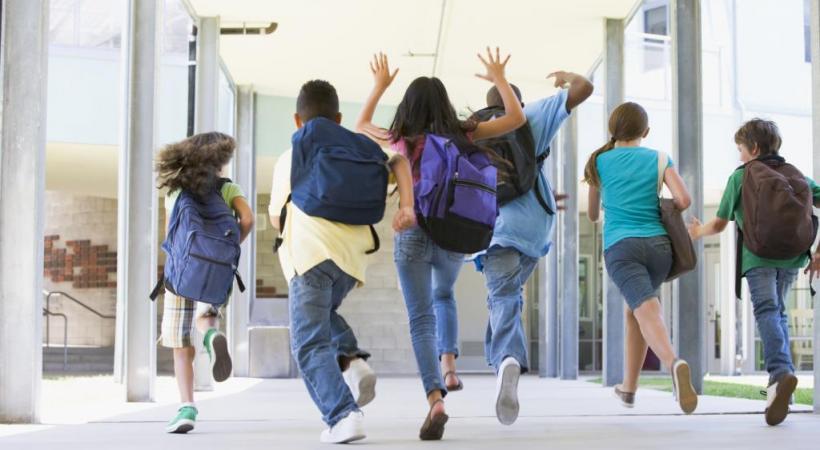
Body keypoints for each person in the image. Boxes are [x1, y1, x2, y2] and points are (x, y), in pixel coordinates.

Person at [356, 48, 526, 441]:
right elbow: (516, 119)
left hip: (413, 230)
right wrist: (500, 77)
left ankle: (435, 397)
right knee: (443, 294)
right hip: (454, 233)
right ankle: (451, 364)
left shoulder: (401, 139)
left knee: (421, 319)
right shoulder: (464, 133)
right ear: (444, 104)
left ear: (409, 107)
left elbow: (362, 122)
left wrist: (379, 85)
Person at [269, 79, 415, 444]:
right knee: (323, 317)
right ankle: (352, 358)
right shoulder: (359, 149)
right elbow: (397, 160)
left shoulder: (292, 154)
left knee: (309, 342)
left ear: (297, 120)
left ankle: (343, 416)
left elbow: (276, 218)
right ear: (338, 117)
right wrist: (408, 206)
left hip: (310, 256)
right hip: (350, 262)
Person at [468, 72, 593, 425]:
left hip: (492, 227)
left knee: (503, 295)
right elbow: (584, 89)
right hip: (536, 227)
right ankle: (503, 359)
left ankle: (507, 357)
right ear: (516, 102)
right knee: (507, 296)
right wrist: (568, 77)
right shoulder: (530, 116)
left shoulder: (473, 127)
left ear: (487, 102)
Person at [689, 118, 820, 426]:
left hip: (758, 256)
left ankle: (779, 374)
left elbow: (719, 224)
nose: (739, 156)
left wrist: (697, 232)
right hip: (792, 257)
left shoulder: (742, 177)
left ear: (754, 148)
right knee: (779, 313)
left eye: (740, 149)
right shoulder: (797, 175)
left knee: (767, 311)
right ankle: (779, 384)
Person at [585, 102, 698, 415]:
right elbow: (684, 199)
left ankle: (674, 364)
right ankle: (629, 389)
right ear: (645, 132)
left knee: (646, 310)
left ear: (613, 130)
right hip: (660, 247)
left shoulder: (599, 161)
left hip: (622, 248)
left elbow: (593, 214)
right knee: (635, 311)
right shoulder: (660, 158)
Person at [156, 131, 255, 434]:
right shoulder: (228, 188)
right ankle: (211, 336)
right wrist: (229, 248)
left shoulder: (175, 190)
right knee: (205, 316)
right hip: (215, 268)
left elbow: (173, 233)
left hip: (180, 273)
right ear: (219, 161)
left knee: (180, 344)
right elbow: (248, 218)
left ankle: (187, 407)